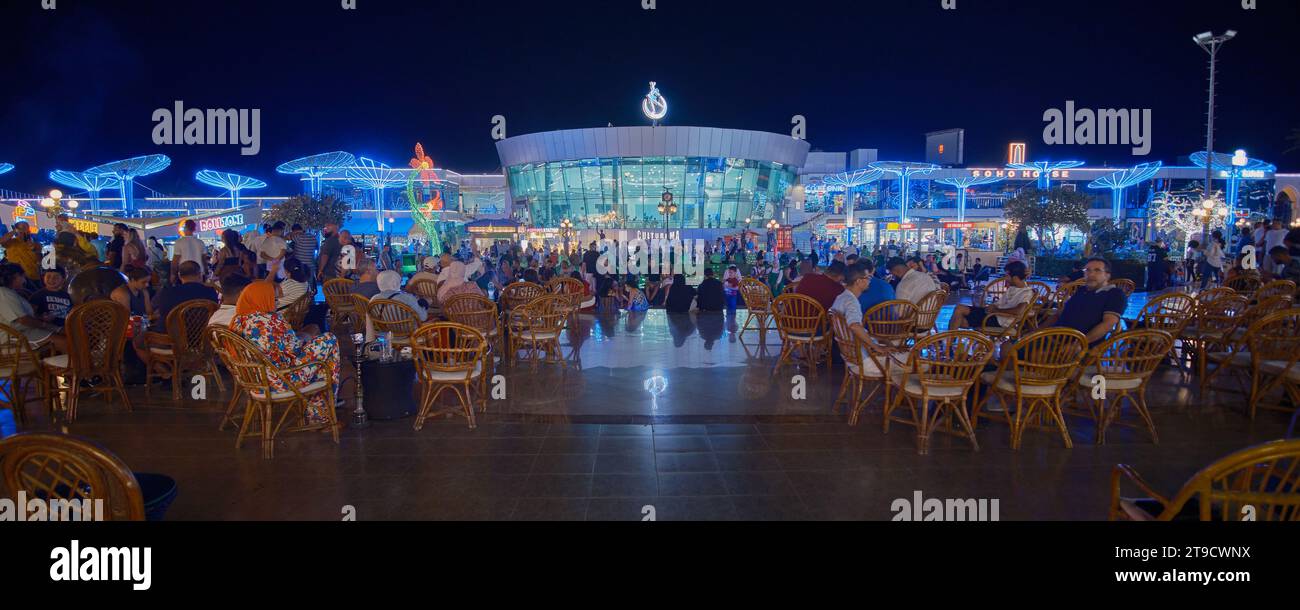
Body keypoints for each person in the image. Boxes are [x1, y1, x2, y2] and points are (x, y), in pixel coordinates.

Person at [231, 281, 340, 425]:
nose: (276, 304)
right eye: (274, 299)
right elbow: (295, 349)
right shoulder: (270, 320)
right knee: (329, 341)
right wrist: (308, 337)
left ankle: (319, 413)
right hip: (282, 380)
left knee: (319, 356)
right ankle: (321, 415)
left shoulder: (239, 320)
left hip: (255, 380)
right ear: (262, 299)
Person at [1047, 258, 1127, 346]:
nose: (1091, 274)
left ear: (1107, 275)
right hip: (1051, 337)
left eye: (1097, 271)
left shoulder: (1114, 294)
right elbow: (1059, 314)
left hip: (1072, 347)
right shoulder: (1081, 290)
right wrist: (1038, 330)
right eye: (1087, 270)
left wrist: (1078, 344)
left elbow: (1108, 324)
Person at [949, 261, 1033, 330]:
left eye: (1007, 276)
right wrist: (991, 307)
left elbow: (1019, 311)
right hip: (993, 314)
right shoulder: (1013, 287)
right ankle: (949, 345)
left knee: (959, 313)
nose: (1005, 278)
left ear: (1015, 277)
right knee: (958, 314)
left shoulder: (1026, 292)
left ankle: (949, 345)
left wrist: (996, 310)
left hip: (999, 320)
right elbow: (1002, 303)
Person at [0, 263, 64, 351]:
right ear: (15, 276)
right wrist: (48, 326)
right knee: (65, 341)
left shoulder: (10, 292)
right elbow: (23, 319)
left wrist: (41, 317)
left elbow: (23, 316)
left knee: (65, 334)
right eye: (23, 277)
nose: (24, 280)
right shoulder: (3, 293)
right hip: (14, 336)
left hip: (24, 331)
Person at [154, 261, 219, 322]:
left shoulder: (167, 293)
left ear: (179, 276)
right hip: (203, 331)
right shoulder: (209, 291)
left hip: (172, 332)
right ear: (199, 275)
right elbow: (215, 312)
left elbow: (161, 312)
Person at [172, 220, 207, 284]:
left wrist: (173, 274)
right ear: (194, 229)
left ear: (185, 228)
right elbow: (204, 260)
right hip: (199, 273)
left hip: (185, 273)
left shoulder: (179, 242)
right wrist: (206, 272)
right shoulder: (200, 242)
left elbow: (175, 261)